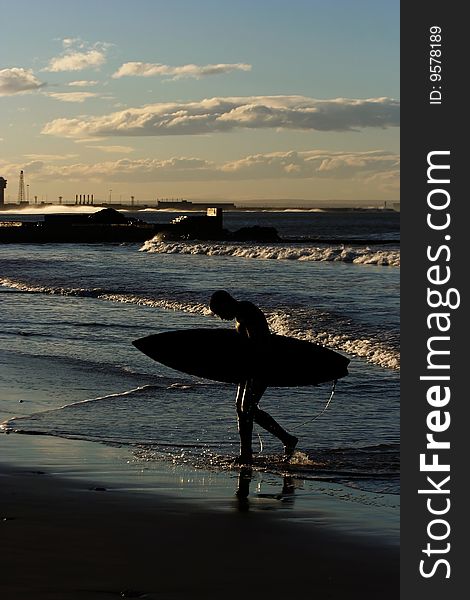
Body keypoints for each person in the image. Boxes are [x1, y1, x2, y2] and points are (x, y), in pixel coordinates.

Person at [209, 290, 298, 464]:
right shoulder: (241, 313)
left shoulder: (246, 312)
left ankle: (281, 441)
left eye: (220, 313)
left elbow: (258, 345)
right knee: (242, 408)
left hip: (261, 365)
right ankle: (249, 452)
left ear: (226, 303)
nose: (220, 318)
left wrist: (248, 367)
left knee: (247, 408)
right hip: (250, 367)